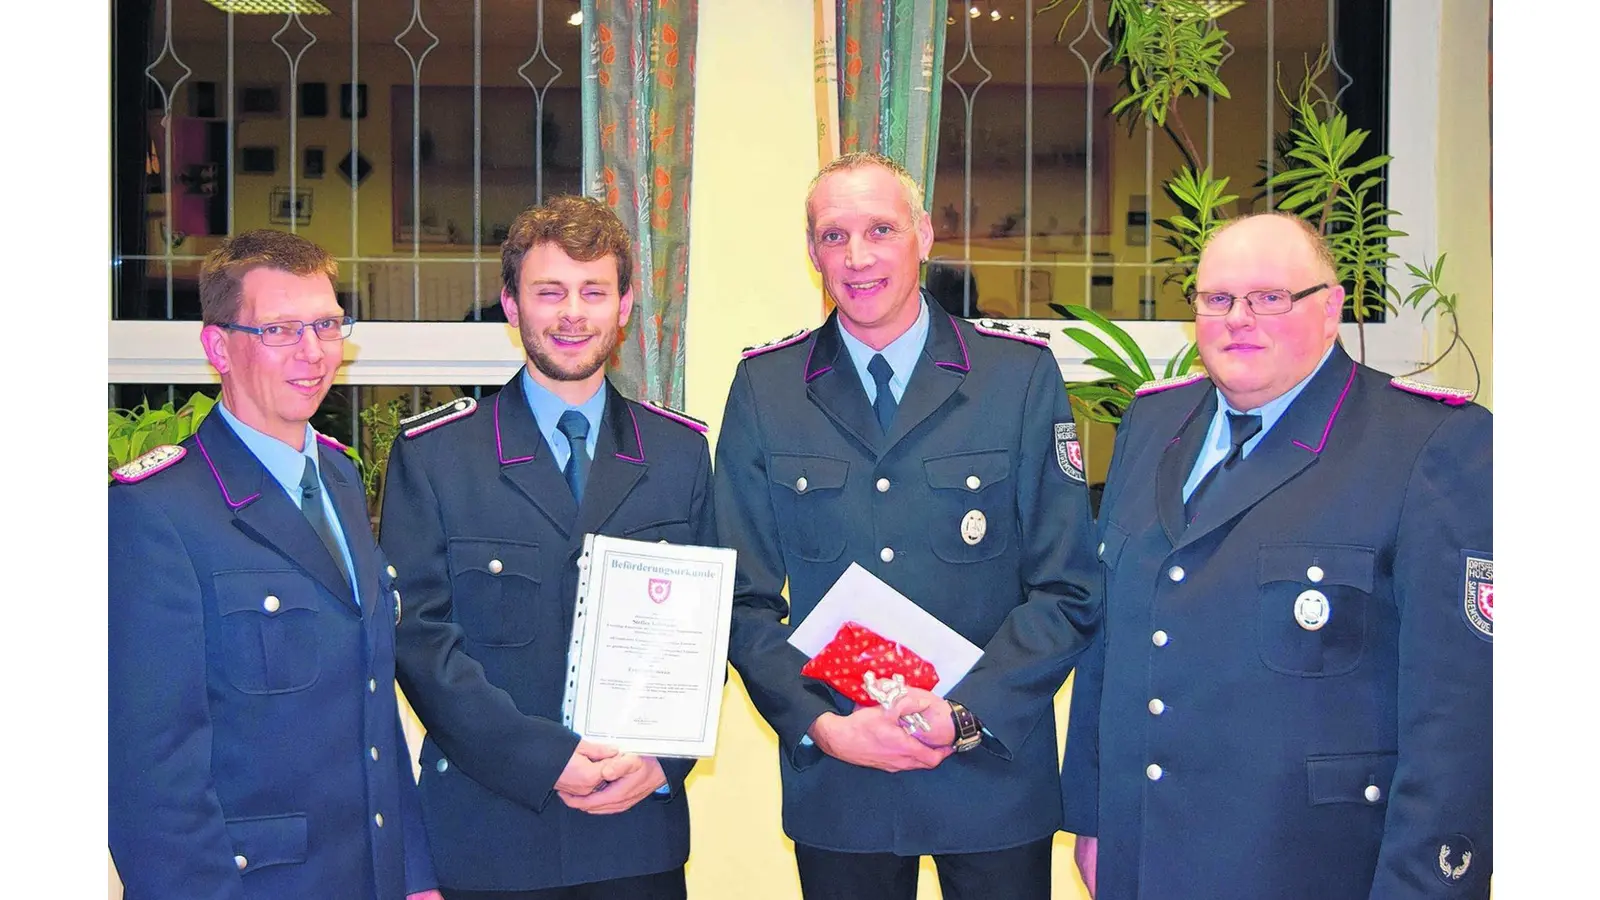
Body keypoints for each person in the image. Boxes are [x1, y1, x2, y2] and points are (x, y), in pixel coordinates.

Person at [1060, 212, 1493, 899]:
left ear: (1330, 309)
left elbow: (1456, 712)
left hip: (1311, 865)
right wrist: (1093, 818)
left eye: (1270, 298)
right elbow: (1109, 641)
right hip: (1144, 853)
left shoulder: (1427, 445)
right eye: (1217, 299)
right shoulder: (1153, 422)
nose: (1239, 319)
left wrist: (1426, 884)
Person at [713, 151, 1101, 900]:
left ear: (923, 234)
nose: (857, 257)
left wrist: (963, 716)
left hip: (990, 774)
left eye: (880, 229)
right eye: (833, 236)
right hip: (843, 779)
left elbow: (1067, 588)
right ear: (812, 252)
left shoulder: (1017, 379)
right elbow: (741, 598)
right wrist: (823, 725)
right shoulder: (767, 389)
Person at [379, 195, 714, 900]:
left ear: (624, 306)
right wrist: (546, 760)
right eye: (549, 292)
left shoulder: (680, 454)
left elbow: (702, 636)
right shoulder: (436, 457)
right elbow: (421, 645)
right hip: (492, 833)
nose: (571, 313)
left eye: (594, 291)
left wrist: (664, 759)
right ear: (511, 305)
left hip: (635, 836)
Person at [108, 229, 441, 900]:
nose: (314, 353)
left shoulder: (341, 480)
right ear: (217, 347)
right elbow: (149, 778)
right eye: (281, 330)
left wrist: (414, 876)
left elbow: (372, 714)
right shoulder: (158, 514)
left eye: (326, 325)